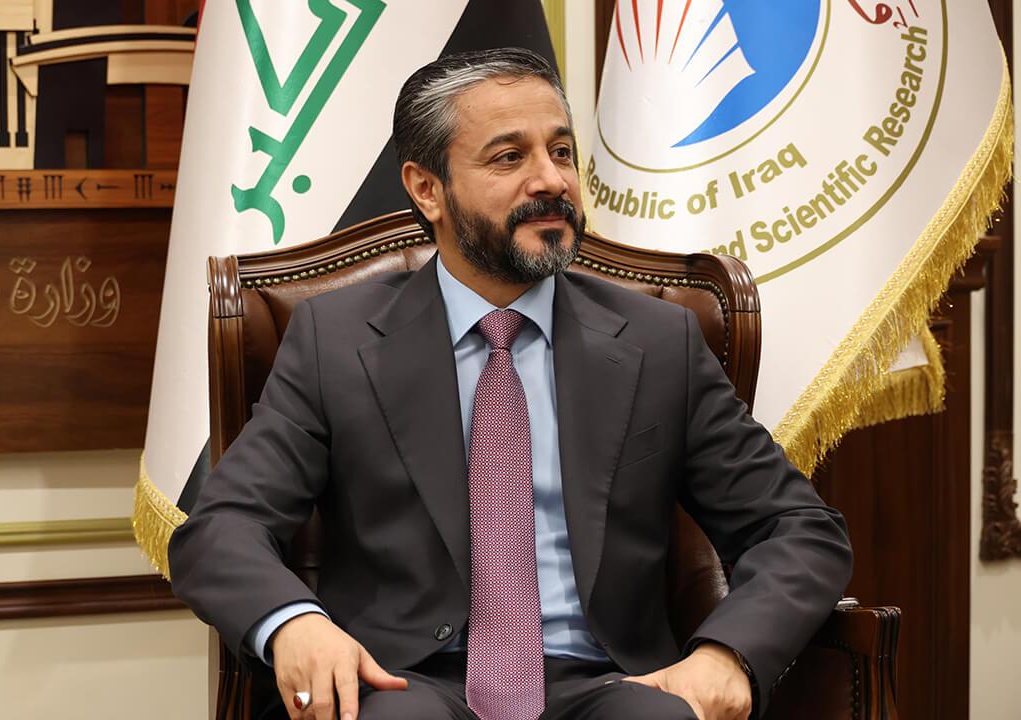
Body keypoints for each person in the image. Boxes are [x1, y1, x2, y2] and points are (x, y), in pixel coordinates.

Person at [168, 47, 853, 720]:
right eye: (508, 157)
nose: (551, 180)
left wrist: (727, 655)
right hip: (404, 683)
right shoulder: (336, 341)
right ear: (427, 189)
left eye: (561, 152)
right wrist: (294, 623)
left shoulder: (657, 342)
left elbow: (798, 528)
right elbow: (223, 528)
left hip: (611, 684)